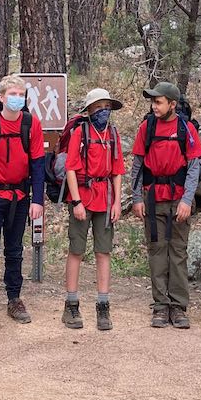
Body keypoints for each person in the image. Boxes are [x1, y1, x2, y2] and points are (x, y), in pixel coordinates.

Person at [128, 81, 201, 329]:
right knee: (157, 251)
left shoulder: (186, 129)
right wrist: (137, 198)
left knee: (178, 253)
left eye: (158, 102)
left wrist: (186, 200)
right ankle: (160, 306)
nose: (154, 106)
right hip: (153, 199)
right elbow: (137, 166)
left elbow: (194, 169)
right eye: (153, 102)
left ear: (172, 104)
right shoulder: (146, 127)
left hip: (179, 198)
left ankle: (179, 307)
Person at [0, 74, 45, 325]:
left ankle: (14, 298)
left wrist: (38, 200)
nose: (17, 99)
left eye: (20, 95)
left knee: (15, 251)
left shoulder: (31, 124)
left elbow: (38, 164)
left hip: (21, 196)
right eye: (12, 95)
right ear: (1, 97)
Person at [61, 88, 125, 331]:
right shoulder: (80, 133)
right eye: (98, 108)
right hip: (83, 196)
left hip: (105, 198)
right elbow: (70, 168)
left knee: (103, 252)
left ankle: (103, 305)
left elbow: (117, 171)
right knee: (76, 250)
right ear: (89, 111)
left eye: (106, 107)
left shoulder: (114, 135)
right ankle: (71, 304)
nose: (103, 112)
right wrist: (76, 201)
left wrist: (117, 201)